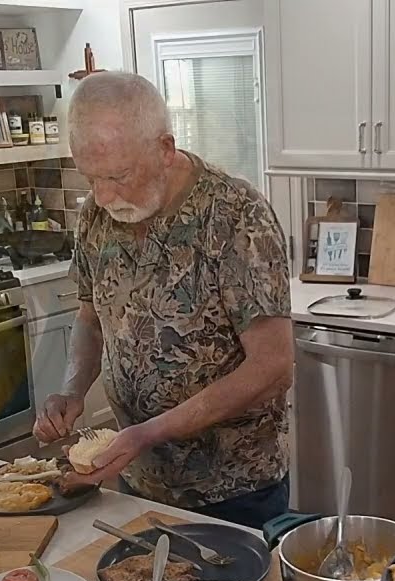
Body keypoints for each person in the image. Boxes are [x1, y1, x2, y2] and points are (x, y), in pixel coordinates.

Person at [32, 72, 293, 529]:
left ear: (165, 149)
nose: (103, 196)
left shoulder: (236, 215)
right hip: (138, 480)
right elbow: (91, 318)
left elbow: (273, 366)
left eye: (118, 176)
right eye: (90, 178)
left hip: (233, 491)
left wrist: (150, 432)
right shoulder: (95, 215)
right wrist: (73, 389)